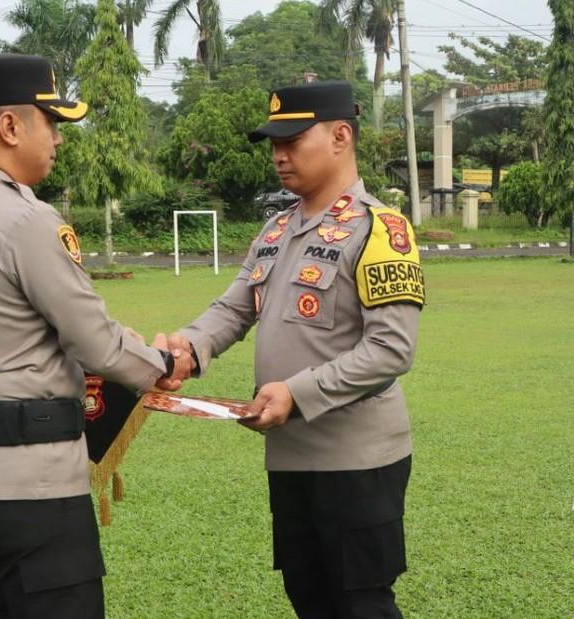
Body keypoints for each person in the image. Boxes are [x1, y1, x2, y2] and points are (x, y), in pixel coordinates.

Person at [0, 53, 192, 618]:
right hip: (35, 485)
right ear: (10, 127)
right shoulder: (27, 221)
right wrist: (162, 362)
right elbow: (97, 343)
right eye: (49, 121)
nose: (56, 139)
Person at [170, 81, 425, 618]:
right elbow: (235, 308)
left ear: (340, 136)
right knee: (308, 597)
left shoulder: (381, 228)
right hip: (289, 458)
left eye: (293, 140)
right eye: (273, 144)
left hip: (356, 461)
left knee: (361, 604)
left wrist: (297, 392)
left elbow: (391, 350)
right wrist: (187, 349)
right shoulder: (278, 227)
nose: (279, 156)